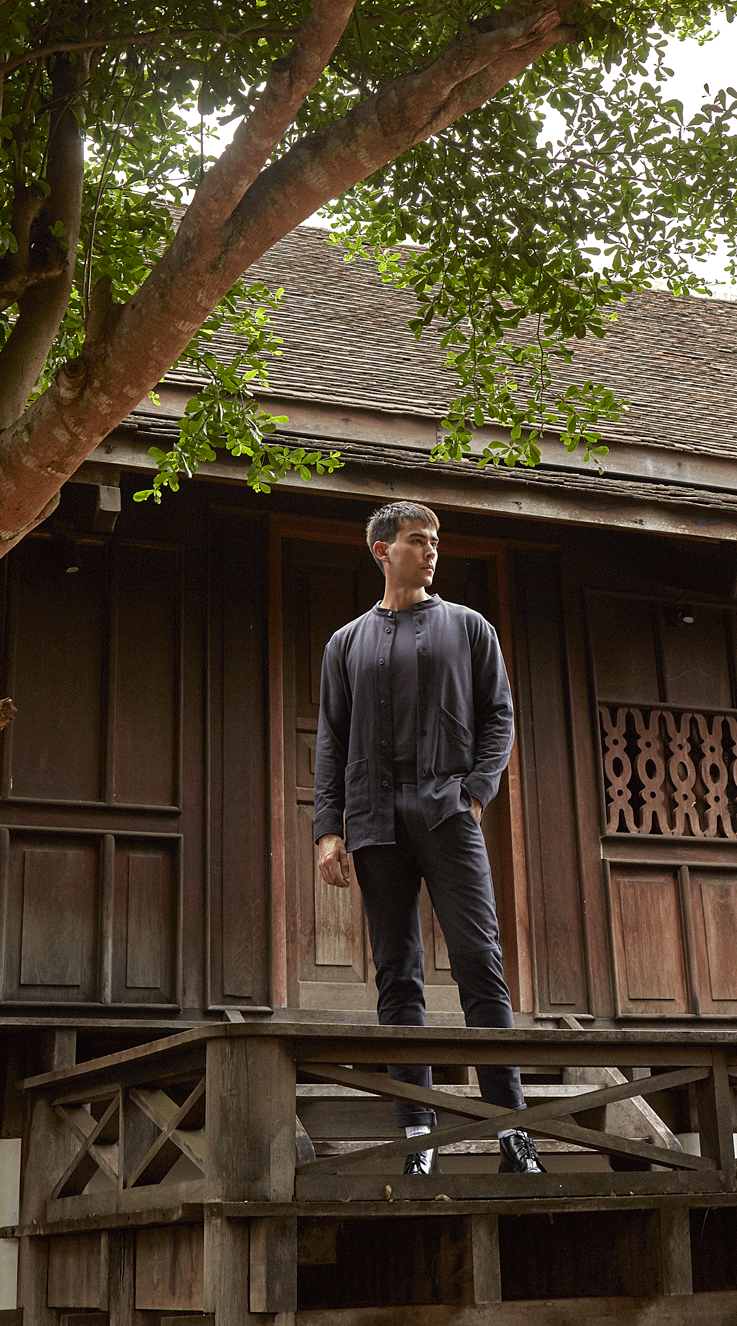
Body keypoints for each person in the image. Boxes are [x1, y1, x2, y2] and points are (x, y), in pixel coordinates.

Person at [313, 500, 544, 1176]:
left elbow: (499, 716)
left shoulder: (469, 628)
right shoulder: (344, 644)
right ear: (383, 551)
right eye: (419, 540)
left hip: (447, 813)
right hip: (374, 822)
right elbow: (331, 741)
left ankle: (512, 1131)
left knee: (480, 963)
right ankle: (418, 1134)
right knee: (397, 976)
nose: (432, 549)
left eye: (436, 540)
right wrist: (329, 830)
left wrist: (475, 792)